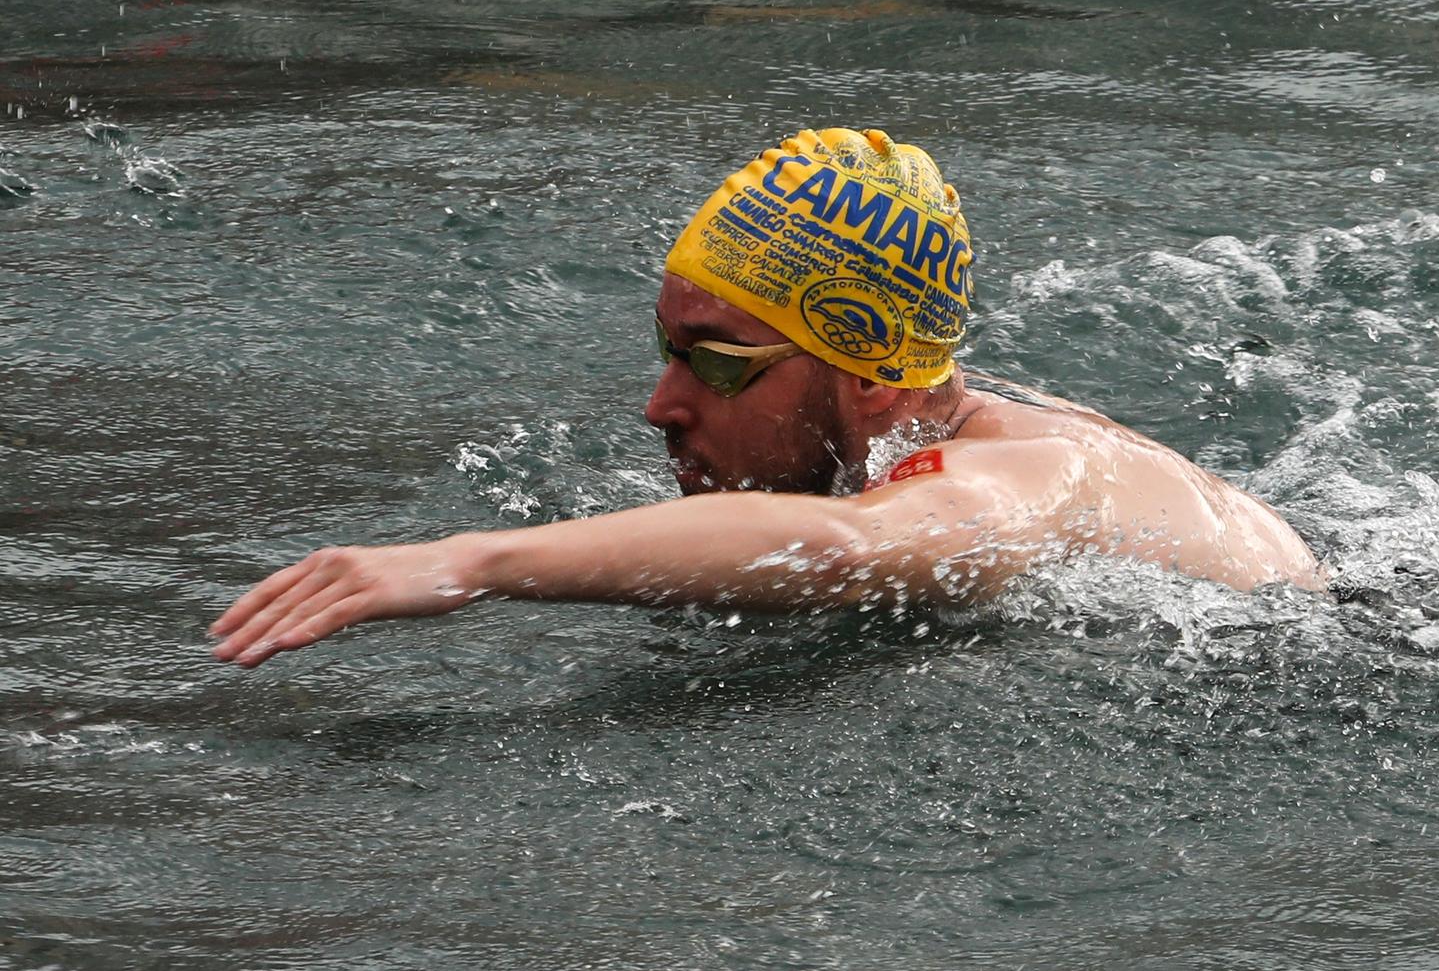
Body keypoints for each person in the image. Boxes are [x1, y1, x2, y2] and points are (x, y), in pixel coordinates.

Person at [210, 128, 1323, 668]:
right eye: (664, 349)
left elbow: (843, 543)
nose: (658, 405)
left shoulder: (1010, 481)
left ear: (875, 375)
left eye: (717, 360)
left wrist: (470, 559)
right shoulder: (946, 419)